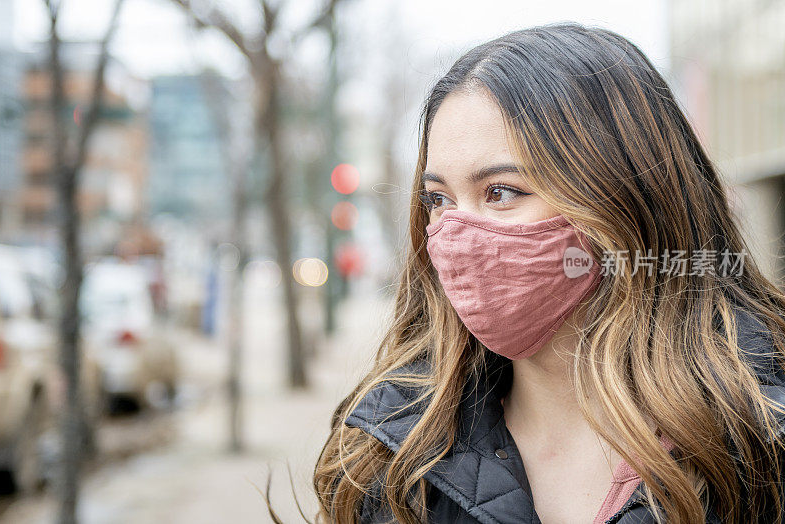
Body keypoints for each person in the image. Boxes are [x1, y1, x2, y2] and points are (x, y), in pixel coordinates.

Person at [312, 22, 785, 523]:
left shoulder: (762, 443)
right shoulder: (389, 453)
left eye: (500, 191)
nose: (456, 235)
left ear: (622, 197)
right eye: (438, 200)